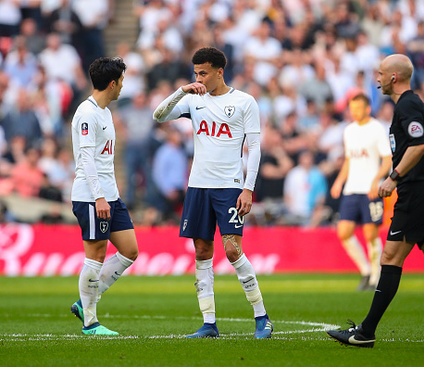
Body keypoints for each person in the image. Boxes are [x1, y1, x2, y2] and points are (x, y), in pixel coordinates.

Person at [327, 54, 424, 349]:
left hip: (416, 192)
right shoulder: (411, 103)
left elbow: (419, 145)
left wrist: (393, 177)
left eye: (381, 73)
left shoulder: (407, 104)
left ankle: (365, 332)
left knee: (390, 259)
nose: (378, 78)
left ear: (394, 77)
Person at [152, 47, 272, 339]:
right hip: (198, 186)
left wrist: (248, 188)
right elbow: (159, 115)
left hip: (229, 186)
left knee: (232, 250)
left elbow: (254, 148)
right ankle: (208, 323)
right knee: (202, 251)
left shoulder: (244, 102)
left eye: (203, 72)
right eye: (195, 73)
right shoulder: (194, 100)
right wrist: (182, 90)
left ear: (220, 71)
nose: (199, 78)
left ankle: (262, 317)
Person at [70, 57, 139, 336]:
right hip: (91, 196)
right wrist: (99, 197)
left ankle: (84, 301)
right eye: (121, 81)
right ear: (112, 83)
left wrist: (110, 193)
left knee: (130, 250)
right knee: (96, 255)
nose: (122, 86)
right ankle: (90, 322)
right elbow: (86, 159)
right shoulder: (87, 113)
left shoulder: (105, 111)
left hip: (110, 195)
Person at [330, 93, 392, 291]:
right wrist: (339, 181)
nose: (354, 112)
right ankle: (365, 270)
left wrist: (377, 181)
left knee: (370, 234)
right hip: (352, 188)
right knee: (344, 232)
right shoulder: (349, 130)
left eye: (358, 108)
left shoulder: (377, 129)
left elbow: (387, 160)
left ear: (367, 108)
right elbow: (349, 159)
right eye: (352, 108)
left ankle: (375, 276)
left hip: (370, 190)